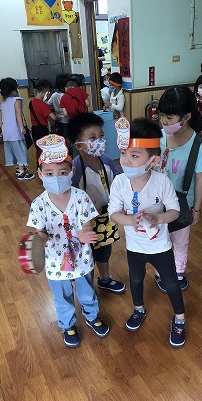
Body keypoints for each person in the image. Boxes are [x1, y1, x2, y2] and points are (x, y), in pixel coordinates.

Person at [108, 117, 186, 348]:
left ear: (153, 160)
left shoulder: (162, 181)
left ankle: (180, 318)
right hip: (134, 246)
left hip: (160, 246)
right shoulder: (119, 182)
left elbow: (174, 210)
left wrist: (158, 218)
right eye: (123, 153)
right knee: (135, 278)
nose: (126, 160)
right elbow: (113, 212)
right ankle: (138, 309)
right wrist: (129, 220)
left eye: (134, 155)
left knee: (171, 283)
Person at [26, 134, 110, 347]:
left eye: (63, 172)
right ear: (40, 174)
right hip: (55, 262)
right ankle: (67, 324)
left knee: (87, 291)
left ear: (71, 172)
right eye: (49, 173)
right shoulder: (38, 204)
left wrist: (84, 233)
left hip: (82, 258)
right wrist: (38, 240)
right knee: (62, 297)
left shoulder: (81, 197)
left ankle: (91, 316)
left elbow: (86, 223)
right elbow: (40, 232)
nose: (56, 177)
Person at [153, 85, 202, 292]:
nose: (163, 121)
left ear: (186, 117)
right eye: (162, 115)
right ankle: (161, 272)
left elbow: (200, 178)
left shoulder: (197, 144)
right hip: (157, 202)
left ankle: (178, 272)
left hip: (182, 205)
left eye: (169, 117)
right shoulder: (159, 137)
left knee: (180, 241)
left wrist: (197, 209)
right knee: (160, 240)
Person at [67, 112, 126, 294]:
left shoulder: (106, 160)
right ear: (79, 145)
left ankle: (105, 279)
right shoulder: (75, 169)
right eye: (92, 138)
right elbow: (71, 199)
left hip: (106, 216)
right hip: (85, 222)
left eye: (101, 135)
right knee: (86, 253)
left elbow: (118, 183)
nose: (99, 141)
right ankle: (87, 287)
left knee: (104, 250)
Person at [0, 77, 35, 180]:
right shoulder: (17, 100)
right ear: (14, 88)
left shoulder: (3, 103)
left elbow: (0, 117)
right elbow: (18, 114)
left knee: (14, 150)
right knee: (21, 150)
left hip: (7, 132)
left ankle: (18, 169)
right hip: (15, 131)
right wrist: (21, 127)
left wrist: (2, 130)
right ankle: (21, 173)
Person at [29, 80, 58, 165]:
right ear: (47, 92)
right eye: (49, 93)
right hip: (42, 130)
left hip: (34, 129)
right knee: (45, 149)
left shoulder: (31, 102)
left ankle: (39, 166)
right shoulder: (43, 105)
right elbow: (54, 118)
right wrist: (59, 117)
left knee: (38, 149)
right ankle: (45, 165)